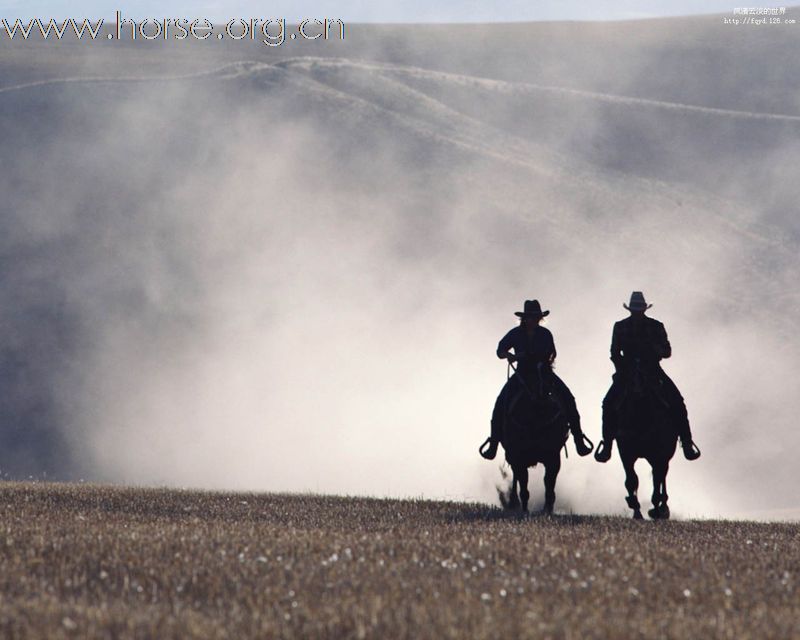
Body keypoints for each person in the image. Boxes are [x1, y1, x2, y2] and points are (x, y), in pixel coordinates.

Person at [594, 291, 701, 462]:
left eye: (639, 310)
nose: (637, 313)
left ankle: (686, 442)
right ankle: (607, 444)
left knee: (677, 401)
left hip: (652, 369)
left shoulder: (656, 326)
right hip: (627, 371)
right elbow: (614, 352)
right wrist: (622, 369)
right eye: (635, 310)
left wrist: (655, 350)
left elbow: (667, 351)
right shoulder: (620, 326)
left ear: (644, 310)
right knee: (608, 403)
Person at [480, 299, 593, 460]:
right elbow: (500, 349)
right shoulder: (515, 333)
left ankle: (578, 439)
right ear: (524, 318)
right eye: (530, 317)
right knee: (501, 403)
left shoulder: (545, 334)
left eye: (536, 317)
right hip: (522, 375)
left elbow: (551, 353)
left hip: (544, 373)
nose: (533, 320)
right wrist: (508, 355)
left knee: (568, 398)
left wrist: (535, 358)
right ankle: (494, 444)